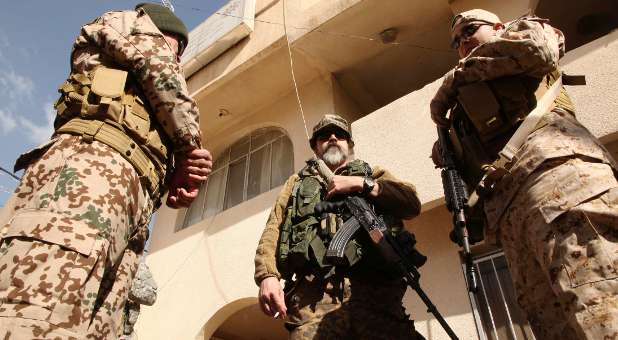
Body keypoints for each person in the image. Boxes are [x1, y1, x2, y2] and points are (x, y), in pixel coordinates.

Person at [0, 3, 212, 338]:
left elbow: (146, 126)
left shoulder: (148, 90)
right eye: (175, 47)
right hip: (88, 176)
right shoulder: (130, 24)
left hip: (127, 201)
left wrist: (174, 177)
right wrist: (190, 148)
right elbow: (160, 71)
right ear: (159, 31)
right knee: (36, 313)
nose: (177, 60)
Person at [430, 9, 618, 339]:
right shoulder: (462, 101)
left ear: (497, 26)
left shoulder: (523, 32)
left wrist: (455, 77)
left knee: (600, 304)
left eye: (470, 30)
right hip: (510, 219)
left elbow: (540, 51)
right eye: (457, 41)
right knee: (553, 324)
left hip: (558, 179)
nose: (463, 42)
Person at [254, 114, 425, 339]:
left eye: (340, 135)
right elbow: (273, 227)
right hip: (313, 300)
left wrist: (362, 184)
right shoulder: (296, 183)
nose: (333, 138)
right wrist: (267, 276)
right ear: (315, 147)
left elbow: (411, 204)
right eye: (324, 136)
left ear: (349, 144)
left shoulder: (372, 174)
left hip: (376, 295)